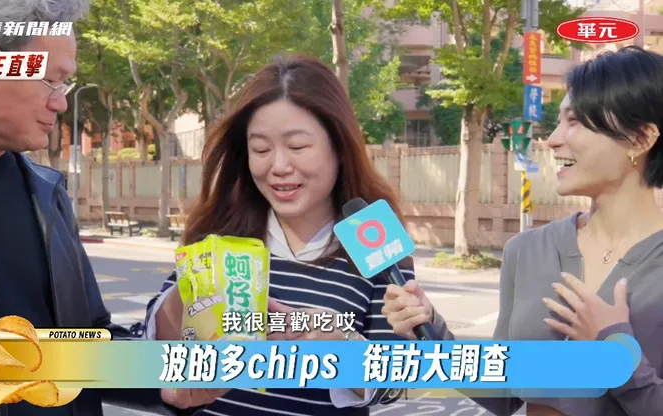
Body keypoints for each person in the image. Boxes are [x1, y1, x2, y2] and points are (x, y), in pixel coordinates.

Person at [0, 1, 188, 415]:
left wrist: (171, 380)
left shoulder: (46, 193)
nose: (61, 104)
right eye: (51, 81)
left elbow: (80, 349)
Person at [382, 45, 663, 416]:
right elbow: (504, 393)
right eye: (559, 121)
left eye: (576, 122)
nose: (553, 139)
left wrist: (620, 357)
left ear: (641, 139)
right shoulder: (527, 251)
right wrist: (431, 329)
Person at [142, 54, 416, 415]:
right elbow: (154, 342)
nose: (279, 166)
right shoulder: (221, 230)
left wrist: (342, 342)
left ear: (339, 147)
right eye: (261, 149)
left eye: (298, 146)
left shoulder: (375, 238)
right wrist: (189, 295)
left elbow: (393, 385)